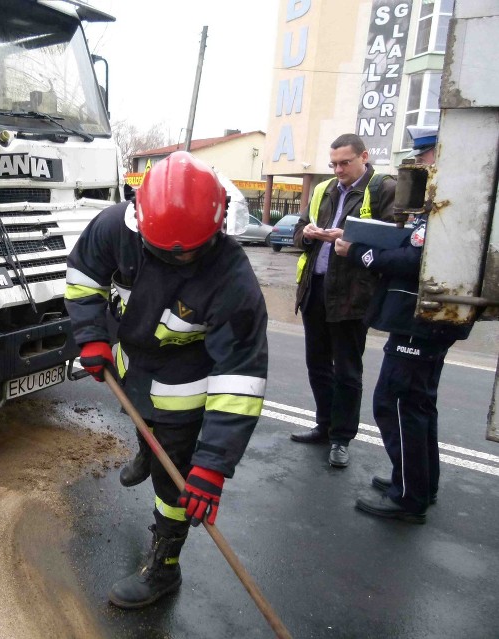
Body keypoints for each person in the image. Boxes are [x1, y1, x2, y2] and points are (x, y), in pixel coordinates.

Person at [64, 151, 268, 608]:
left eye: (191, 251)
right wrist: (92, 336)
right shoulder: (115, 225)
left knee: (174, 481)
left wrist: (211, 467)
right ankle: (146, 446)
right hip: (132, 358)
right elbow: (83, 277)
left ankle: (165, 569)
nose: (179, 259)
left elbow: (240, 380)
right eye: (163, 250)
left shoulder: (233, 279)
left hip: (184, 377)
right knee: (139, 413)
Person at [334, 125, 472, 523]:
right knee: (418, 403)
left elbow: (414, 262)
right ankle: (419, 483)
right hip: (428, 317)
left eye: (424, 156)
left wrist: (359, 251)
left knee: (395, 401)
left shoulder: (446, 206)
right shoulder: (441, 204)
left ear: (440, 157)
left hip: (422, 319)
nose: (418, 163)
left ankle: (408, 497)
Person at [291, 133, 396, 468]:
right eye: (333, 163)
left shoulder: (382, 189)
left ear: (363, 157)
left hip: (351, 295)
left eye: (344, 163)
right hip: (315, 289)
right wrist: (307, 234)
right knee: (317, 364)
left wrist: (348, 238)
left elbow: (395, 241)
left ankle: (341, 438)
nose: (337, 169)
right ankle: (324, 425)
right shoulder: (324, 189)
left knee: (347, 371)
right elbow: (297, 233)